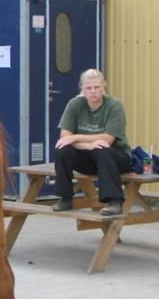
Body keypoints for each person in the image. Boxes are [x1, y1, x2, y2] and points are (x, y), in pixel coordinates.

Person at [53, 69, 132, 216]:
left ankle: (115, 201)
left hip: (117, 157)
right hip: (88, 157)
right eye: (88, 88)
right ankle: (65, 198)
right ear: (82, 89)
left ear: (104, 87)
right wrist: (87, 146)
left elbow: (108, 139)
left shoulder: (114, 105)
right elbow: (65, 137)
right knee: (62, 149)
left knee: (101, 147)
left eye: (97, 87)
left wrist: (76, 138)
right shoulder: (75, 104)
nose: (93, 91)